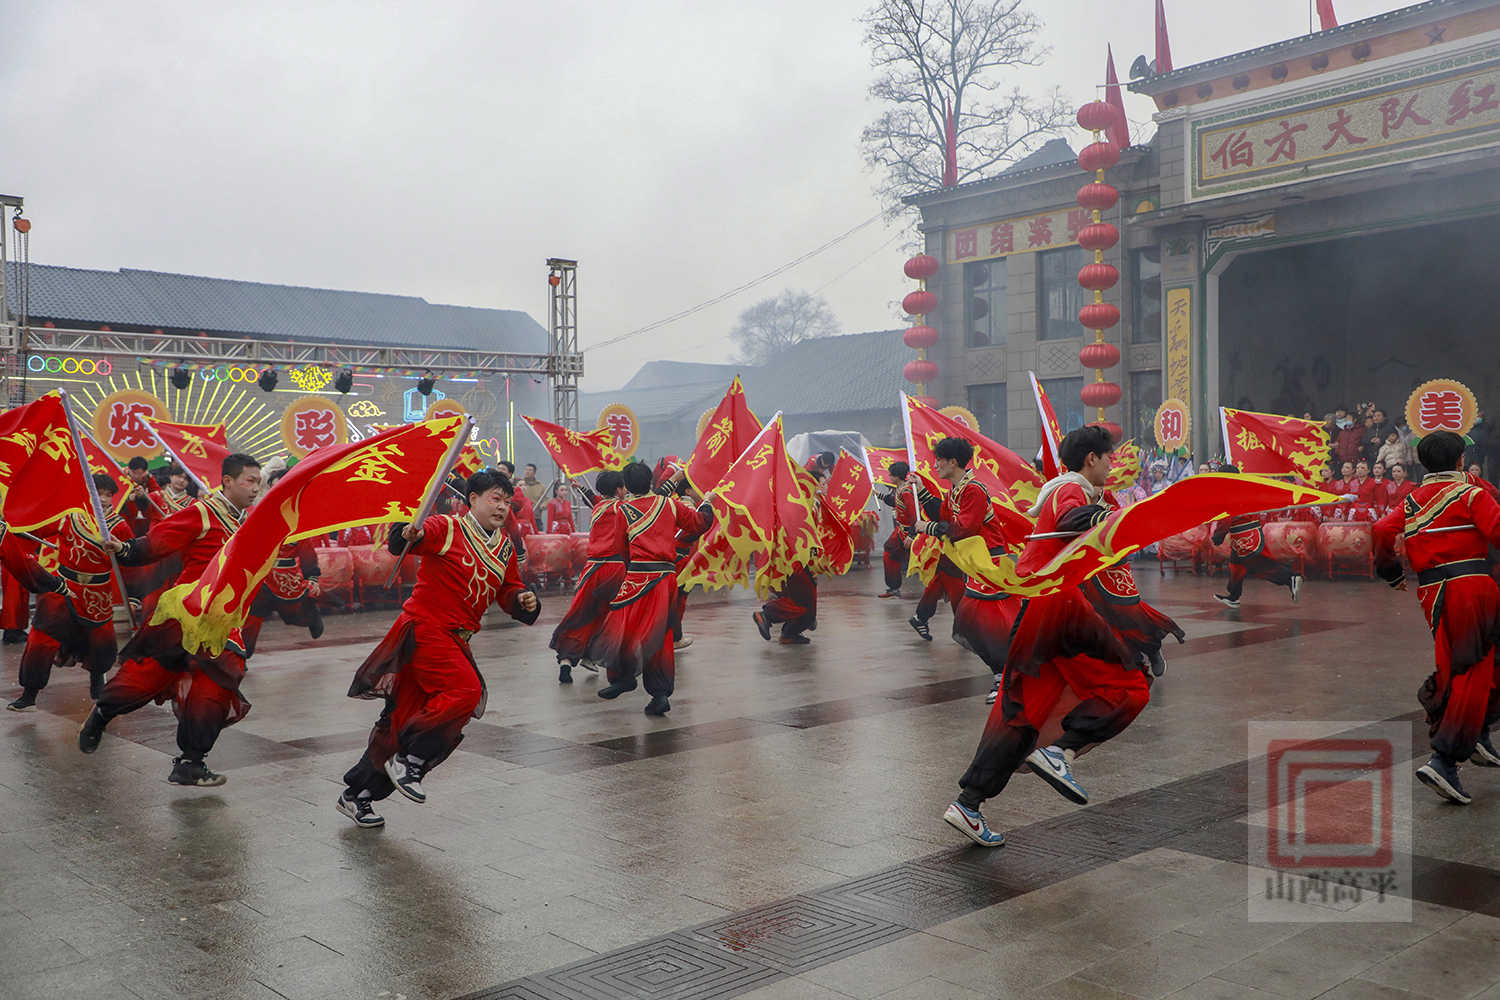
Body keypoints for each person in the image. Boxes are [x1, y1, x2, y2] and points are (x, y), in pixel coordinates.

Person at [942, 426, 1150, 847]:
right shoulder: (1070, 489)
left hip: (1039, 607)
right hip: (1059, 603)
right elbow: (1072, 518)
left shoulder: (1063, 491)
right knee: (1132, 688)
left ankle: (969, 803)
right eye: (1107, 458)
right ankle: (1060, 751)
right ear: (1091, 459)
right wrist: (1104, 518)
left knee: (1020, 711)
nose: (1111, 465)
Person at [337, 470, 540, 827]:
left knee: (403, 721)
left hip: (456, 639)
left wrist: (523, 599)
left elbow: (508, 588)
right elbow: (407, 540)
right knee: (465, 692)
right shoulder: (446, 528)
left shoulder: (505, 546)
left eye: (507, 502)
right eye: (495, 498)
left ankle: (357, 794)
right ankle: (410, 762)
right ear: (472, 499)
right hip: (425, 628)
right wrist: (407, 531)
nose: (502, 507)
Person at [79, 453, 264, 788]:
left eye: (258, 482)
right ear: (227, 481)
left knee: (215, 687)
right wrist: (126, 549)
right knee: (145, 678)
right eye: (249, 481)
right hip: (185, 614)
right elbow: (159, 540)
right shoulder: (202, 513)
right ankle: (103, 712)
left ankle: (191, 762)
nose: (255, 488)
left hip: (222, 623)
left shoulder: (247, 522)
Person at [1374, 431, 1500, 805]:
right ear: (1460, 460)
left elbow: (1381, 529)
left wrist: (1390, 572)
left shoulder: (1413, 499)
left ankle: (1477, 731)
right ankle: (1444, 760)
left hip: (1433, 592)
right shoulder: (1470, 494)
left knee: (1458, 666)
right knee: (1473, 671)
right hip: (1471, 588)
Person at [589, 462, 712, 715]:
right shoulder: (668, 505)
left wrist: (632, 566)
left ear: (626, 486)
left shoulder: (624, 510)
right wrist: (707, 503)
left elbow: (620, 547)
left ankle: (624, 678)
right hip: (664, 577)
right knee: (659, 635)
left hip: (637, 577)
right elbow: (699, 524)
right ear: (650, 481)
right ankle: (658, 693)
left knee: (621, 627)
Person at [7, 475, 137, 711]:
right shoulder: (70, 515)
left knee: (101, 644)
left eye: (108, 494)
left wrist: (134, 595)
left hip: (98, 594)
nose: (103, 499)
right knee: (40, 639)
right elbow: (36, 529)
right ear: (88, 493)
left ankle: (97, 680)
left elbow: (131, 560)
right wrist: (13, 525)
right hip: (63, 588)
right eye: (99, 493)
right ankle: (29, 692)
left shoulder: (120, 526)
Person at [917, 437, 1020, 706]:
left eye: (939, 460)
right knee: (970, 621)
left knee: (986, 622)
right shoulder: (955, 490)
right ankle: (1004, 672)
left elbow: (964, 528)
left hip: (990, 561)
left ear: (953, 462)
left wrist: (928, 528)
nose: (935, 465)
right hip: (975, 563)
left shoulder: (973, 489)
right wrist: (921, 492)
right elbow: (943, 516)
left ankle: (1005, 675)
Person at [551, 471, 627, 683]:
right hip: (615, 569)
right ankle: (596, 656)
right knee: (611, 616)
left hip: (592, 568)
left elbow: (594, 498)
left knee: (581, 613)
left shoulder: (599, 507)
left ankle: (566, 659)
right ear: (619, 489)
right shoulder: (624, 509)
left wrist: (581, 488)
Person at [242, 471, 324, 656]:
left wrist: (312, 576)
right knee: (252, 615)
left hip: (286, 576)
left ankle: (311, 616)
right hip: (261, 575)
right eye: (275, 487)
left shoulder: (297, 519)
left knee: (294, 613)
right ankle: (243, 654)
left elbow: (307, 550)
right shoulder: (256, 513)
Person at [1212, 465, 1301, 609]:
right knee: (1236, 566)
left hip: (1244, 535)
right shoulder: (1243, 489)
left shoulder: (1230, 492)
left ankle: (1289, 578)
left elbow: (1227, 517)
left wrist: (1218, 535)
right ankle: (1234, 596)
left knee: (1258, 565)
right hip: (1247, 531)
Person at [755, 468, 825, 646]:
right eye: (822, 483)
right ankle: (767, 615)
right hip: (798, 561)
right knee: (804, 605)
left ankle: (789, 634)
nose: (825, 487)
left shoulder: (807, 503)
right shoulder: (804, 505)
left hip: (800, 560)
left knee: (806, 606)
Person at [875, 461, 919, 598]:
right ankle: (893, 587)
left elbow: (914, 514)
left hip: (908, 531)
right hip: (901, 530)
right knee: (890, 551)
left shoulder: (906, 491)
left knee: (922, 558)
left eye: (890, 474)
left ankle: (894, 587)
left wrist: (912, 535)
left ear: (896, 476)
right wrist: (879, 495)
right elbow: (894, 501)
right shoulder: (901, 488)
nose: (888, 477)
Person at [498, 461, 538, 534]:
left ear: (510, 474)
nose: (500, 471)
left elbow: (532, 520)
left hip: (519, 529)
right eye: (498, 468)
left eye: (503, 469)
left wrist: (536, 533)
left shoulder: (525, 500)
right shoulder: (493, 488)